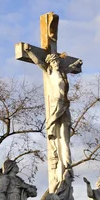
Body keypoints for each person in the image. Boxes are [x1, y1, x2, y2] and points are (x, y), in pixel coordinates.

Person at [23, 44, 82, 182]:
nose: (56, 63)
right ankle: (50, 132)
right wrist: (29, 51)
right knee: (55, 128)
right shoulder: (49, 71)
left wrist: (77, 63)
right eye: (53, 61)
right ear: (50, 62)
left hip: (65, 103)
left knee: (65, 132)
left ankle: (66, 162)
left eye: (57, 61)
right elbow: (38, 61)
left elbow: (71, 67)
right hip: (55, 103)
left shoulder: (62, 71)